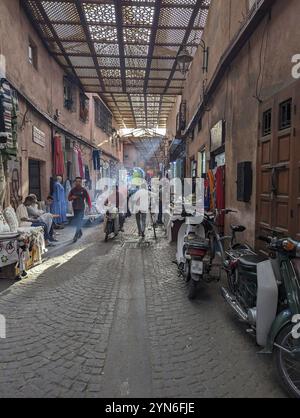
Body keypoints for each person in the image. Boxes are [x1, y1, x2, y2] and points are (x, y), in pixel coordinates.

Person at [68, 177, 92, 243]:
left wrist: (89, 207)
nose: (78, 182)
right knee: (77, 221)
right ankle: (80, 232)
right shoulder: (73, 190)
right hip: (75, 208)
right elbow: (69, 198)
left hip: (81, 208)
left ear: (81, 182)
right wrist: (72, 197)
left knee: (79, 221)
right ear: (75, 182)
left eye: (79, 181)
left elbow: (88, 199)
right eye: (76, 181)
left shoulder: (83, 190)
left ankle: (76, 235)